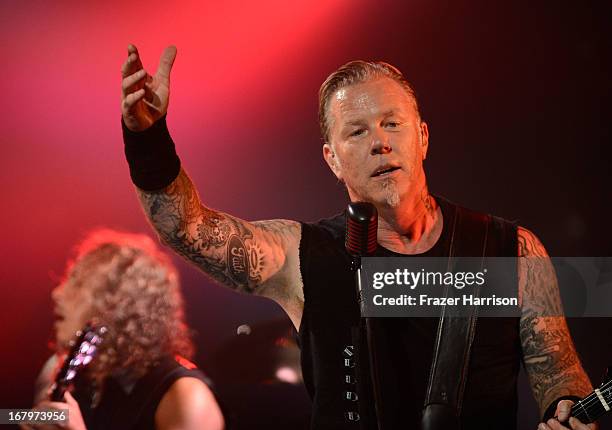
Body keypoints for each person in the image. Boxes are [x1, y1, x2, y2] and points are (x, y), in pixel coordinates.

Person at [120, 44, 595, 429]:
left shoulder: (511, 250)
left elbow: (561, 377)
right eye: (357, 131)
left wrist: (569, 414)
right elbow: (187, 228)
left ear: (423, 137)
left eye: (392, 123)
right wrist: (148, 141)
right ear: (331, 158)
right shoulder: (300, 256)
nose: (380, 141)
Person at [28, 229, 225, 430]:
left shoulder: (187, 399)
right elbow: (17, 416)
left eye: (78, 284)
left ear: (117, 304)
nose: (57, 294)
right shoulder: (62, 367)